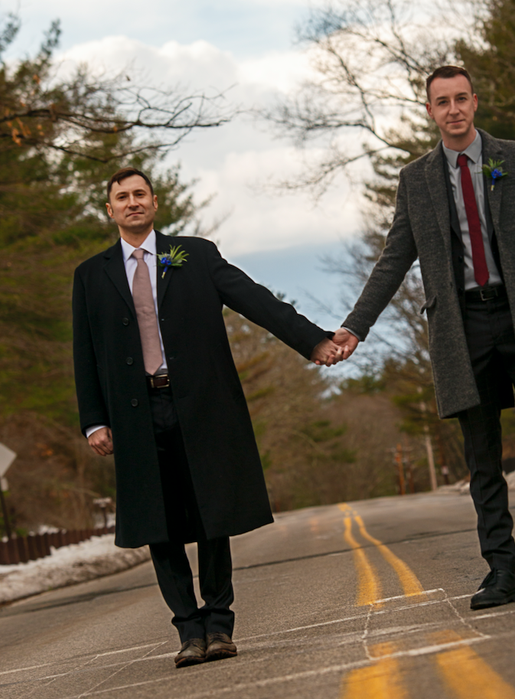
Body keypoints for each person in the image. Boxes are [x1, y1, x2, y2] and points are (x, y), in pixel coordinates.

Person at [333, 65, 515, 609]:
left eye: (462, 99)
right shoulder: (416, 180)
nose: (454, 109)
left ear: (475, 103)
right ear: (430, 111)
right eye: (443, 101)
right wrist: (355, 327)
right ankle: (501, 574)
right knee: (483, 461)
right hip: (462, 328)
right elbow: (393, 260)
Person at [72, 168, 342, 667]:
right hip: (135, 416)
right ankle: (187, 631)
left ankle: (219, 624)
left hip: (199, 405)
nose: (132, 203)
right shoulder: (91, 275)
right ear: (109, 210)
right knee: (160, 525)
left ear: (154, 202)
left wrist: (314, 340)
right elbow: (84, 352)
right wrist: (94, 420)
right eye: (121, 197)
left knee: (211, 513)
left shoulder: (194, 255)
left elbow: (256, 301)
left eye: (139, 195)